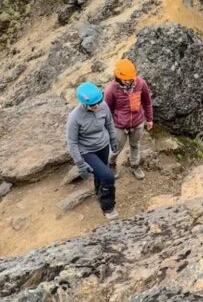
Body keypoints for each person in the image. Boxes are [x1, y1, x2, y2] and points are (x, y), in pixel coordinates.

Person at [66, 82, 121, 220]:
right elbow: (72, 142)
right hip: (87, 152)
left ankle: (99, 192)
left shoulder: (103, 106)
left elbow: (109, 123)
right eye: (92, 105)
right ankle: (108, 207)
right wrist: (80, 164)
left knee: (100, 174)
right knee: (108, 176)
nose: (96, 106)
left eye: (98, 102)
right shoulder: (75, 117)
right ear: (84, 103)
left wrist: (113, 140)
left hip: (103, 146)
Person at [104, 58, 154, 180]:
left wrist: (149, 119)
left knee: (135, 145)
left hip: (138, 122)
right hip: (119, 125)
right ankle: (111, 164)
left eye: (130, 79)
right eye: (125, 79)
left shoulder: (141, 84)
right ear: (118, 76)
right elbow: (107, 110)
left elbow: (147, 102)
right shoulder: (111, 90)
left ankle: (135, 166)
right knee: (116, 148)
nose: (127, 81)